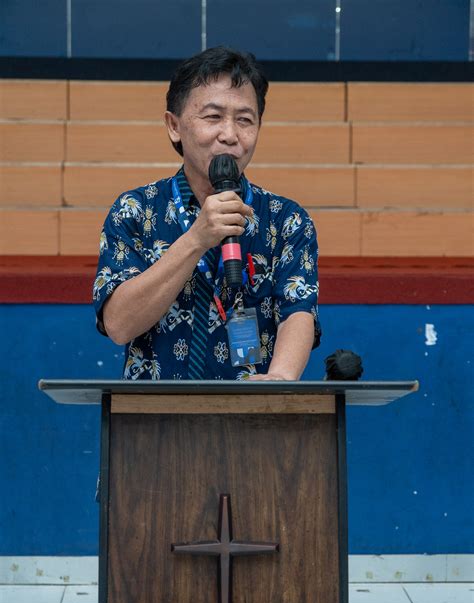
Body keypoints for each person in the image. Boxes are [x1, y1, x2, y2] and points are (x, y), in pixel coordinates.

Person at [92, 46, 320, 381]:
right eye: (213, 117)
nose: (229, 135)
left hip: (252, 417)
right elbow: (119, 325)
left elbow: (299, 311)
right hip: (151, 421)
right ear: (174, 126)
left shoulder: (286, 220)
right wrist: (196, 239)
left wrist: (279, 380)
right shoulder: (134, 211)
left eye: (244, 120)